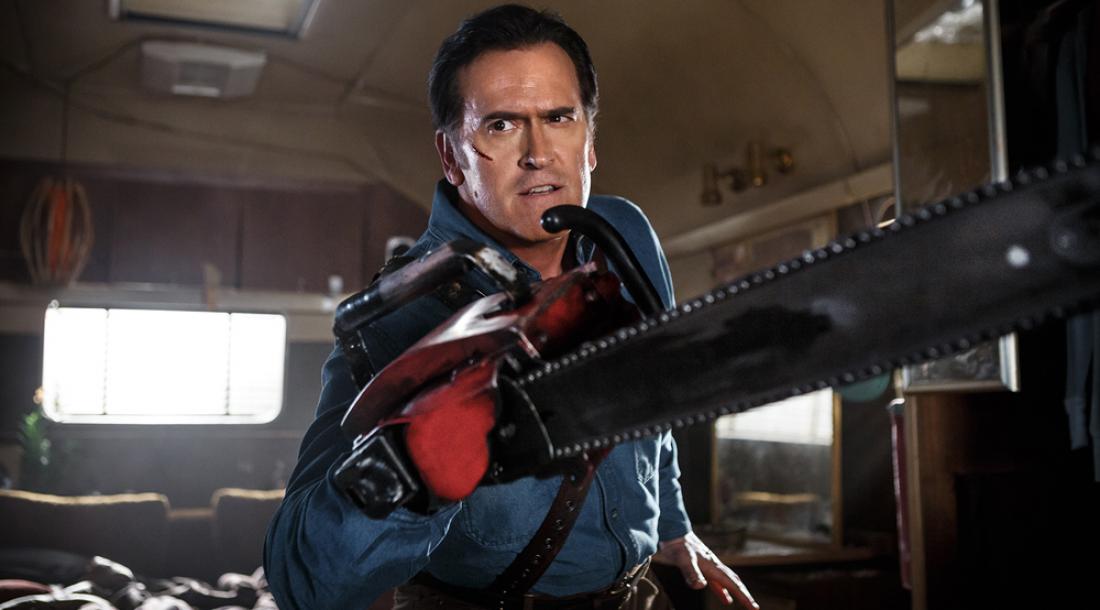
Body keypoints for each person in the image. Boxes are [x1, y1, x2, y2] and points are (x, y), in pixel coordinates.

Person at [265, 5, 758, 609]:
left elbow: (651, 406)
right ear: (451, 157)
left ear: (590, 141)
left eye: (559, 118)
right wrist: (409, 468)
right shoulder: (397, 317)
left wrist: (673, 528)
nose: (538, 153)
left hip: (634, 596)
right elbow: (301, 584)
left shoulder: (624, 234)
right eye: (500, 125)